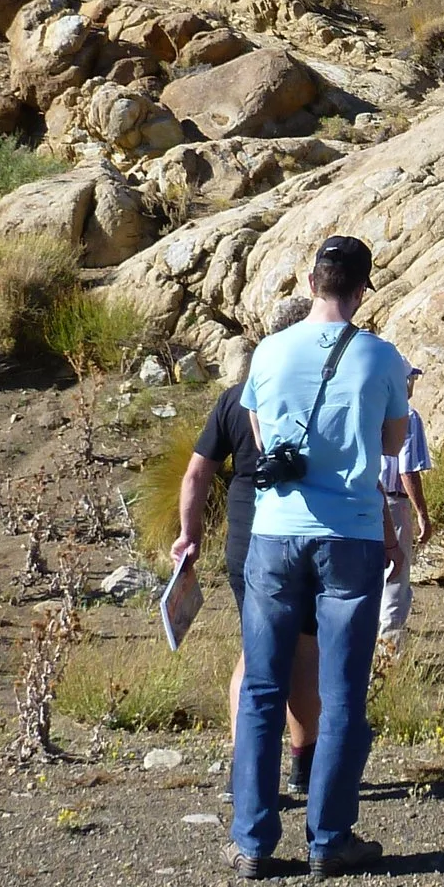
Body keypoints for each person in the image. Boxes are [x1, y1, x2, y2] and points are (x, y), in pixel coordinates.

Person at [192, 234, 409, 878]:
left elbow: (260, 436)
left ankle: (253, 841)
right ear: (362, 288)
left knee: (262, 686)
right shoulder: (382, 357)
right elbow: (394, 442)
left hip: (275, 532)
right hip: (351, 535)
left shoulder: (268, 352)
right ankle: (330, 837)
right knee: (342, 693)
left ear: (312, 283)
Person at [174, 300, 318, 795]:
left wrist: (189, 535)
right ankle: (304, 764)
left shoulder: (236, 398)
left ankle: (247, 770)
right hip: (306, 531)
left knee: (255, 649)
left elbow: (197, 472)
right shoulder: (318, 392)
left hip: (245, 535)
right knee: (303, 649)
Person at [377, 365, 433, 643]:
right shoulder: (407, 416)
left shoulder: (367, 409)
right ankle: (387, 655)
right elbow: (406, 469)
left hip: (362, 498)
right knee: (395, 579)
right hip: (392, 502)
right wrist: (422, 512)